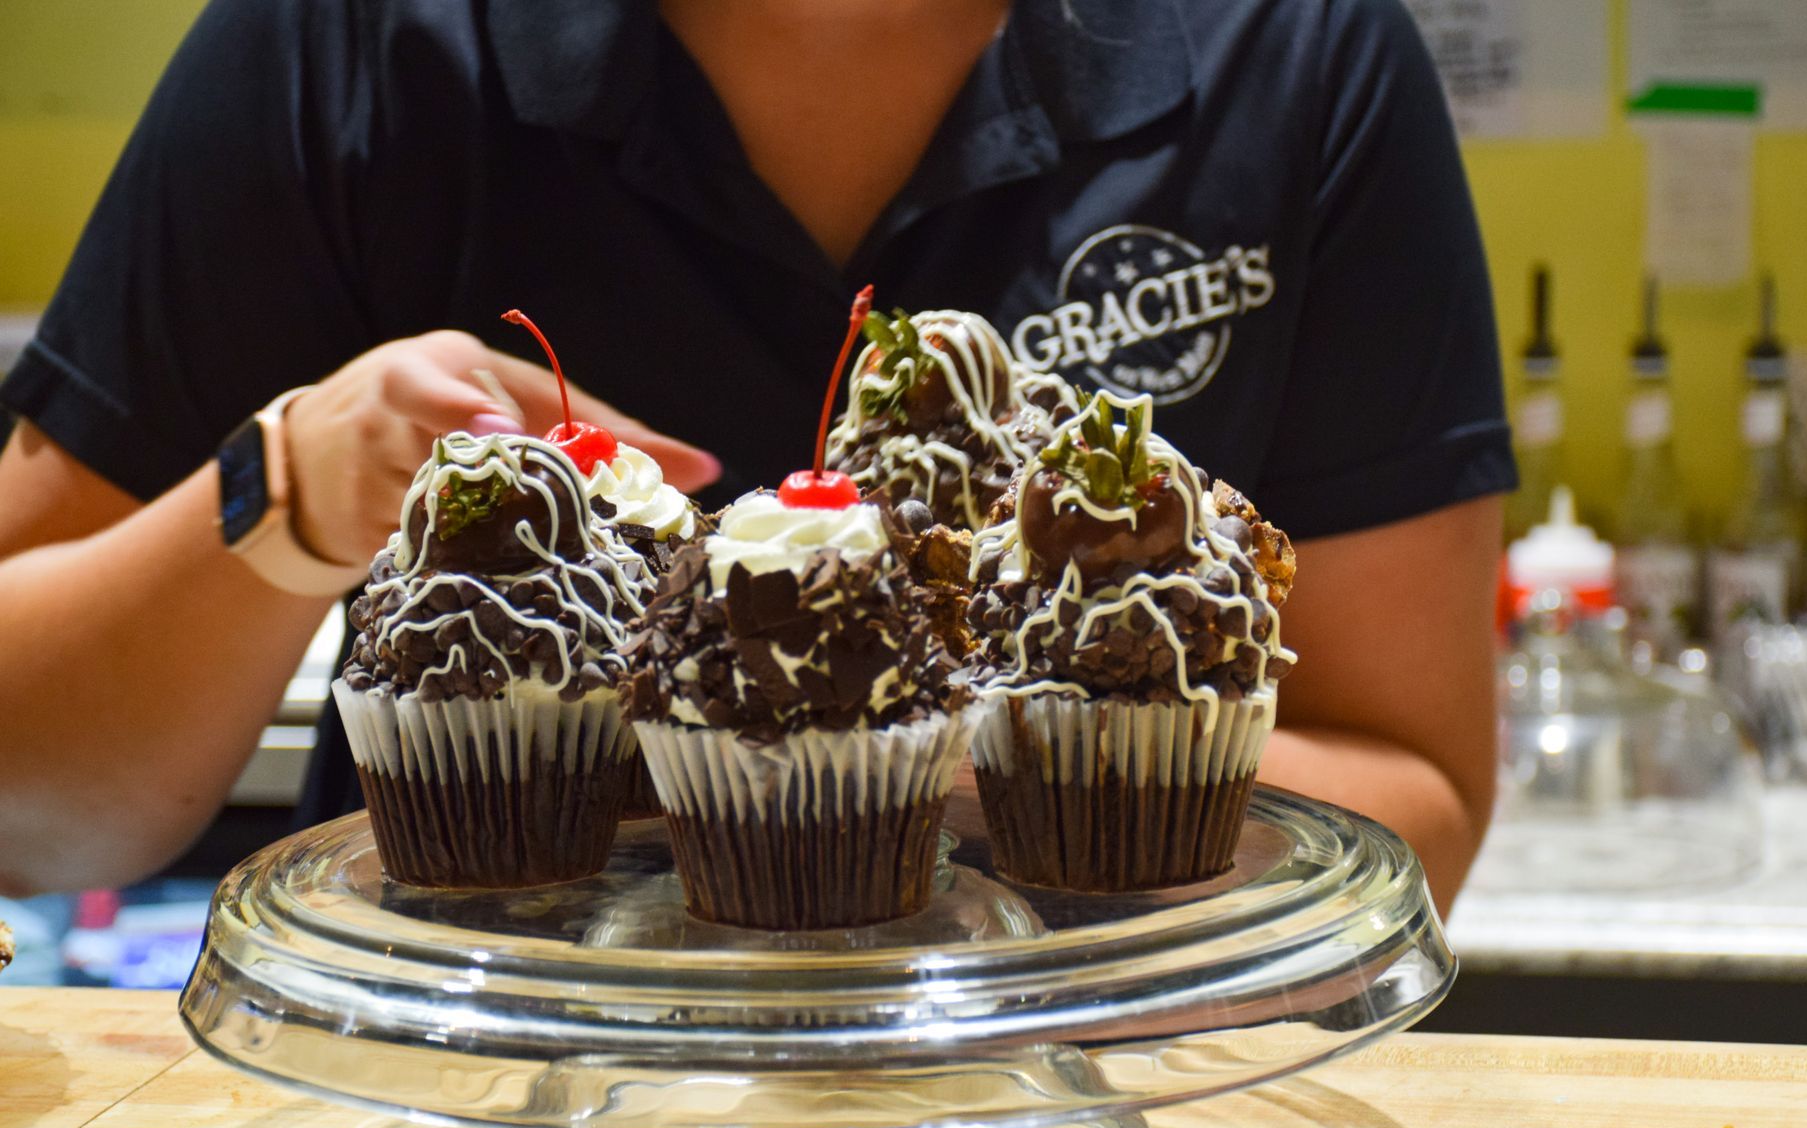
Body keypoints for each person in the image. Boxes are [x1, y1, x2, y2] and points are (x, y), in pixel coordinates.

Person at [0, 0, 1510, 913]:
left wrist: (941, 747)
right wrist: (291, 498)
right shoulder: (345, 44)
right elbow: (26, 794)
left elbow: (1416, 811)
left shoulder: (1290, 48)